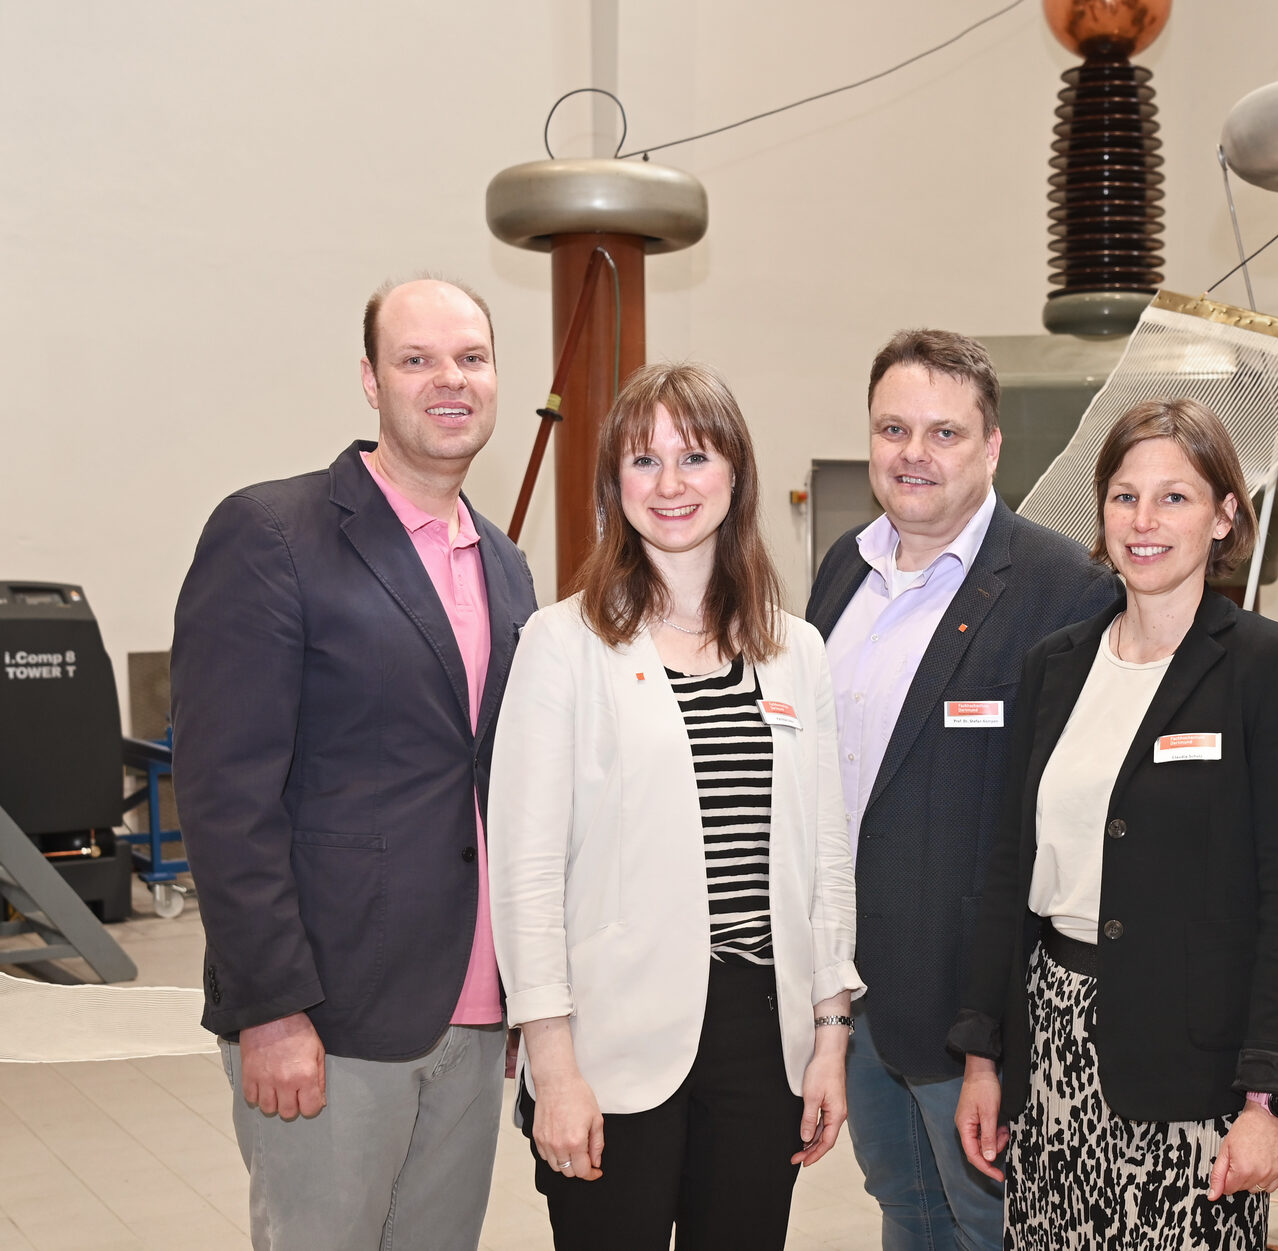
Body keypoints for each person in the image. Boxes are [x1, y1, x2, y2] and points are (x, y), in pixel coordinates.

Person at [171, 277, 539, 1251]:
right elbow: (224, 794)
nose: (449, 379)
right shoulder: (273, 535)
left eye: (471, 358)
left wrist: (520, 992)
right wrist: (272, 1008)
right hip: (328, 1017)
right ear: (372, 381)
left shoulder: (505, 566)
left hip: (472, 1014)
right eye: (417, 359)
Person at [950, 397, 1278, 1249]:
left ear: (1225, 514)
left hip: (1195, 1074)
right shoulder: (1054, 667)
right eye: (1125, 496)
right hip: (1052, 1046)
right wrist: (985, 1055)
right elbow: (1008, 869)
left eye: (1175, 497)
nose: (1144, 520)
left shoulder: (1270, 669)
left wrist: (1269, 1101)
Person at [489, 361, 862, 1250]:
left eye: (694, 456)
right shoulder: (561, 644)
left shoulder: (795, 649)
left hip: (761, 1038)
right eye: (643, 460)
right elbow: (526, 874)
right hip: (610, 1041)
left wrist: (829, 1037)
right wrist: (554, 1066)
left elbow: (825, 858)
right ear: (614, 484)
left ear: (735, 473)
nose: (670, 484)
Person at [806, 329, 1117, 1251]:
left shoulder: (1066, 588)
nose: (915, 453)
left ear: (991, 447)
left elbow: (1076, 821)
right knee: (906, 1210)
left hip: (972, 1006)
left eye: (945, 432)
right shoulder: (843, 568)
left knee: (994, 1226)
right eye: (893, 428)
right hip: (854, 994)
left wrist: (1002, 1027)